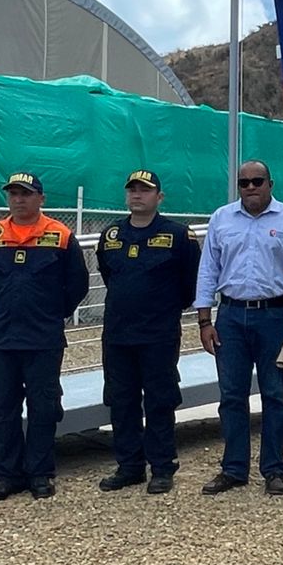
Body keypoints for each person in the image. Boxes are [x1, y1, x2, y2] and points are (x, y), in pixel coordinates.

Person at [193, 160, 283, 496]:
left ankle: (274, 470)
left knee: (275, 395)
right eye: (243, 182)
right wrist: (205, 320)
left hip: (273, 317)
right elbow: (208, 271)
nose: (250, 187)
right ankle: (234, 469)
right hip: (230, 317)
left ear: (270, 184)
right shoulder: (221, 218)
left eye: (257, 181)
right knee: (231, 396)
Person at [0, 171, 89, 502]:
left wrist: (52, 314)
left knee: (44, 407)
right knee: (0, 407)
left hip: (43, 338)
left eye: (26, 194)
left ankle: (40, 473)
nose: (19, 199)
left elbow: (77, 284)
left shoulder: (61, 235)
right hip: (1, 339)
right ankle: (7, 475)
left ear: (41, 198)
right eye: (13, 194)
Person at [95, 170, 201, 496]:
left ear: (160, 197)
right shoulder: (111, 235)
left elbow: (190, 284)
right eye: (133, 190)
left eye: (145, 190)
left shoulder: (179, 236)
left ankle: (162, 466)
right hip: (118, 334)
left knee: (159, 401)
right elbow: (108, 274)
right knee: (121, 401)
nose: (137, 195)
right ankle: (129, 466)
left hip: (158, 334)